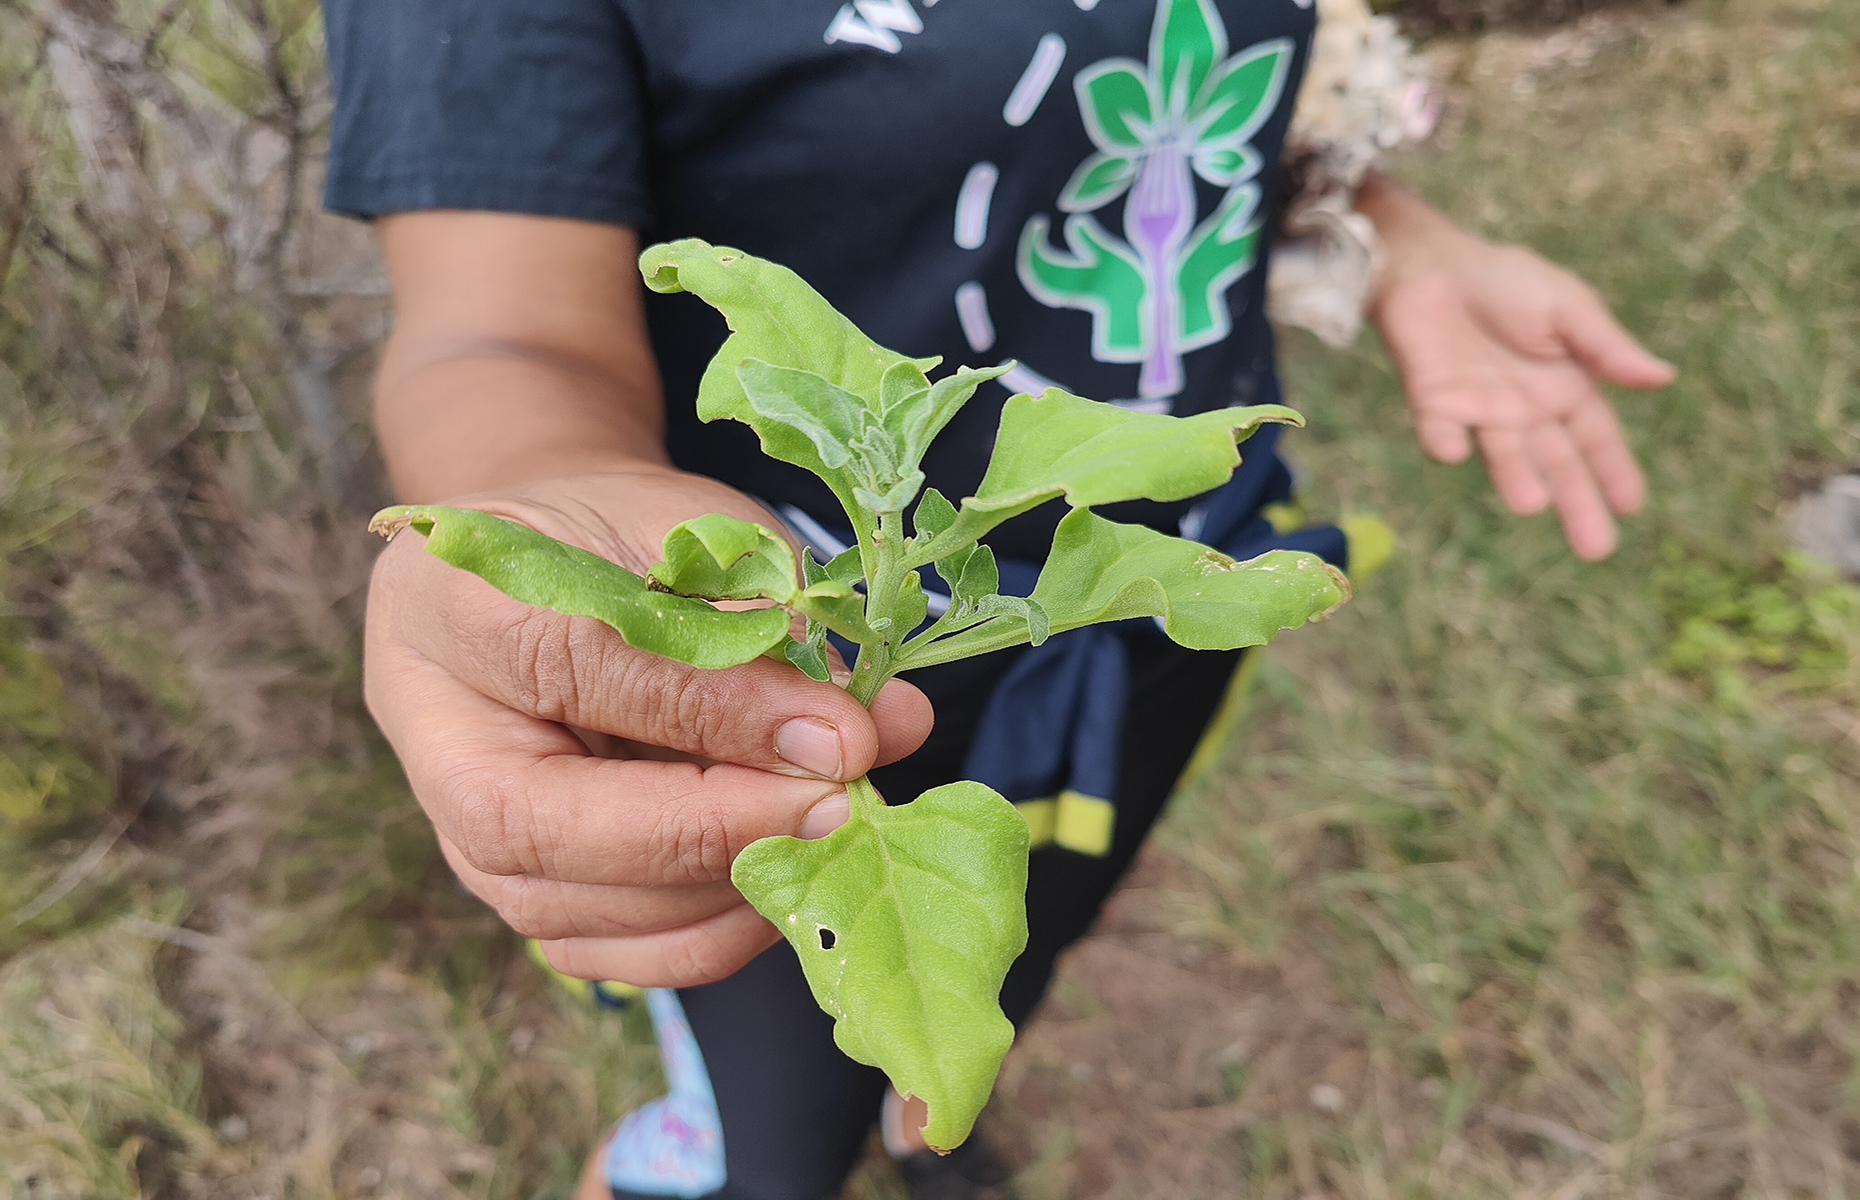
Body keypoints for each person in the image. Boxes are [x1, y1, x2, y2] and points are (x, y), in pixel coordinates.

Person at [320, 2, 1674, 1197]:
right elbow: (501, 332)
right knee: (771, 1151)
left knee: (1016, 952)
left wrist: (1393, 232)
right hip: (778, 701)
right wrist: (535, 508)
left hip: (1133, 615)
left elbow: (1214, 72)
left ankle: (933, 1132)